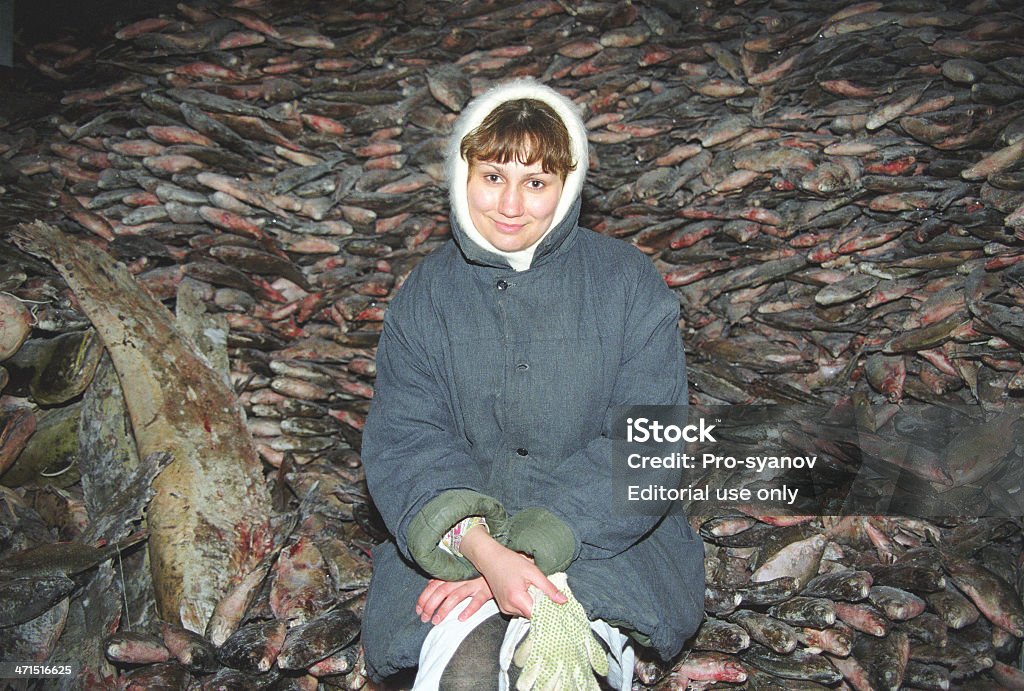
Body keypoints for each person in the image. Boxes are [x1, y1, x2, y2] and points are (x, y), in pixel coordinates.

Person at [360, 78, 704, 690]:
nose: (511, 205)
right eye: (493, 176)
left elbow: (649, 445)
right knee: (467, 674)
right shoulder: (426, 297)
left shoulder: (627, 284)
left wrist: (526, 551)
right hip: (456, 552)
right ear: (461, 176)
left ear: (567, 188)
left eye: (536, 183)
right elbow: (406, 439)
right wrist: (482, 551)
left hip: (601, 541)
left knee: (554, 675)